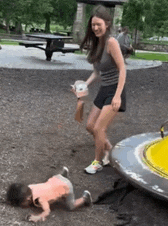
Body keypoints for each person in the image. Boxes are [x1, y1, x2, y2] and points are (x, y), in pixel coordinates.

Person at [79, 5, 126, 174]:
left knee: (99, 128)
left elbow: (122, 69)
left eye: (99, 24)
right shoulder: (97, 43)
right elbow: (97, 71)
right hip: (104, 88)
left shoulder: (111, 42)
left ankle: (97, 162)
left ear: (107, 23)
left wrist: (118, 96)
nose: (96, 28)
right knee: (90, 125)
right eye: (93, 25)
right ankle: (109, 150)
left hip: (115, 89)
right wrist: (84, 84)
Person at [6, 167, 92, 222]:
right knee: (52, 184)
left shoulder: (40, 199)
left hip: (65, 186)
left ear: (28, 199)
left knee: (71, 206)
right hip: (56, 178)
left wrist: (39, 216)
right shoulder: (29, 187)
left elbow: (47, 211)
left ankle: (85, 198)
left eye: (21, 203)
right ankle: (63, 175)